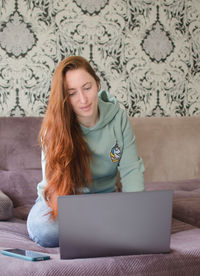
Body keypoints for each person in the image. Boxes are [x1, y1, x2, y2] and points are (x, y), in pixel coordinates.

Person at [27, 56, 144, 247]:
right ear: (65, 98)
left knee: (144, 217)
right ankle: (105, 231)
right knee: (45, 229)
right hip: (65, 201)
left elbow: (131, 169)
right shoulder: (54, 128)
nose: (83, 99)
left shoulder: (118, 118)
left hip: (105, 200)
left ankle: (95, 231)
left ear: (97, 84)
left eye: (87, 88)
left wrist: (135, 210)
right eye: (72, 93)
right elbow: (56, 186)